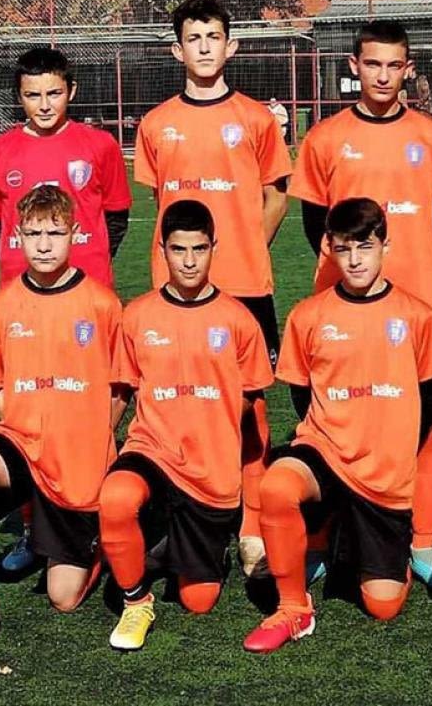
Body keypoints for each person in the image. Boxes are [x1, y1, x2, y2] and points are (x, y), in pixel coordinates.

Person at [243, 198, 432, 654]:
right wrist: (339, 434)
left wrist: (386, 448)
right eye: (344, 249)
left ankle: (359, 540)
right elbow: (301, 397)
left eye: (365, 246)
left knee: (383, 606)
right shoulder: (308, 316)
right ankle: (293, 609)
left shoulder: (416, 316)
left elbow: (430, 404)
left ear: (385, 246)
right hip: (326, 453)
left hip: (384, 478)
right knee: (277, 487)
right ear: (329, 249)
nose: (355, 259)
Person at [289, 19, 432, 590]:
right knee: (328, 424)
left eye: (394, 65)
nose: (383, 76)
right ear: (354, 67)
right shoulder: (325, 137)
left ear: (408, 70)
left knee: (423, 423)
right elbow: (316, 223)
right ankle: (321, 538)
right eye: (372, 64)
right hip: (339, 311)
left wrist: (408, 276)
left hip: (411, 309)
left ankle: (423, 543)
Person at [134, 0, 293, 578]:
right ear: (177, 51)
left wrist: (244, 246)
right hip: (174, 294)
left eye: (213, 37)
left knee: (251, 409)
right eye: (193, 39)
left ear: (232, 46)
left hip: (243, 288)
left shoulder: (255, 119)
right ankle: (184, 520)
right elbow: (161, 204)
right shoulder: (156, 124)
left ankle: (251, 527)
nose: (204, 48)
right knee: (178, 404)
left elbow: (277, 196)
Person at [0, 185, 125, 657]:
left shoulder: (102, 305)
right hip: (19, 442)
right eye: (33, 234)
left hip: (78, 458)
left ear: (74, 234)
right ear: (17, 236)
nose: (43, 245)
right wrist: (29, 423)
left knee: (64, 598)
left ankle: (92, 541)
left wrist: (94, 440)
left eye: (54, 234)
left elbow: (122, 387)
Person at [100, 200, 274, 651]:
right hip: (152, 451)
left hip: (210, 474)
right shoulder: (137, 315)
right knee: (116, 498)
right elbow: (121, 391)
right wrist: (97, 451)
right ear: (162, 250)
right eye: (179, 250)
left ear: (214, 247)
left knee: (199, 600)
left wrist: (251, 514)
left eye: (199, 249)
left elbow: (253, 412)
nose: (190, 261)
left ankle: (173, 544)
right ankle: (137, 603)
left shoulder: (238, 320)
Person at [0, 47, 132, 292]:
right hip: (21, 284)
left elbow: (116, 217)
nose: (44, 105)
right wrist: (18, 256)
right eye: (33, 95)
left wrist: (91, 253)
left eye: (54, 93)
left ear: (71, 91)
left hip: (89, 282)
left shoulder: (102, 145)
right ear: (19, 96)